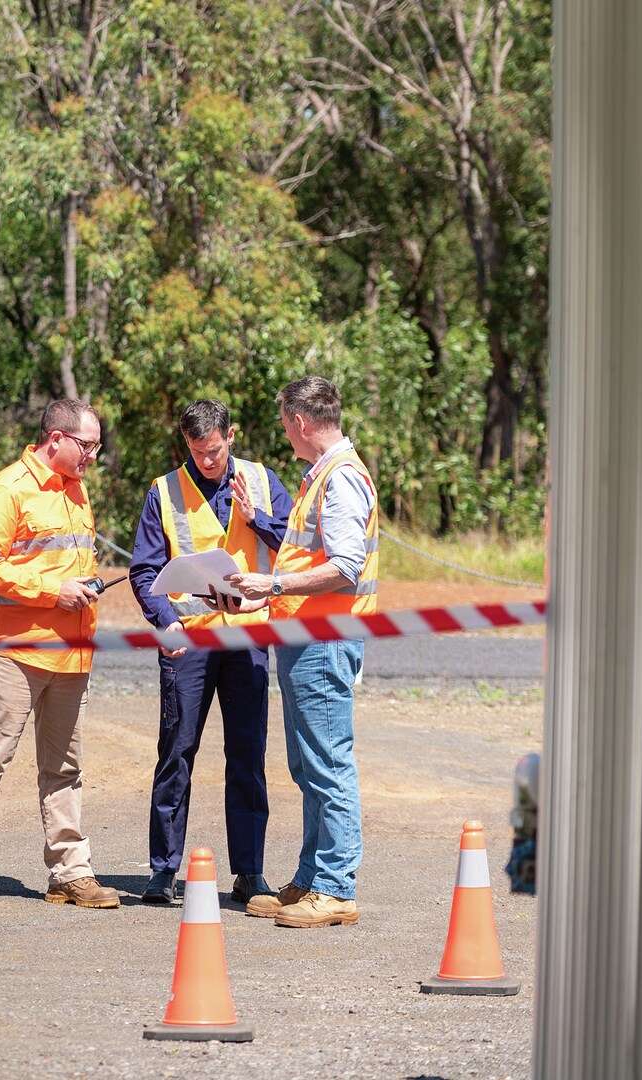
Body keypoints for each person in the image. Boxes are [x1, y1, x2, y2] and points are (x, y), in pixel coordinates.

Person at [0, 398, 122, 915]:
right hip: (16, 652)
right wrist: (53, 592)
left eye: (95, 446)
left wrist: (81, 589)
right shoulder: (6, 491)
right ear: (56, 439)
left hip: (71, 654)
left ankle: (70, 872)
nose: (94, 455)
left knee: (65, 767)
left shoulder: (76, 489)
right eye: (87, 445)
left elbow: (67, 561)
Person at [227, 375, 379, 928]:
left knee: (327, 763)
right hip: (304, 639)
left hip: (322, 641)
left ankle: (336, 888)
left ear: (299, 421)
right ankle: (314, 878)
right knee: (308, 762)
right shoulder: (324, 476)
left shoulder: (339, 480)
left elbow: (344, 567)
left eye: (285, 424)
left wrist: (274, 588)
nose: (286, 434)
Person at [126, 400, 292, 906]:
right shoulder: (163, 491)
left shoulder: (264, 484)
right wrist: (167, 623)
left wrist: (255, 517)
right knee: (176, 751)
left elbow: (297, 549)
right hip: (188, 638)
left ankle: (250, 871)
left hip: (247, 637)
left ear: (231, 436)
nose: (207, 461)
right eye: (197, 453)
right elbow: (145, 571)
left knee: (247, 755)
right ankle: (163, 870)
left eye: (215, 451)